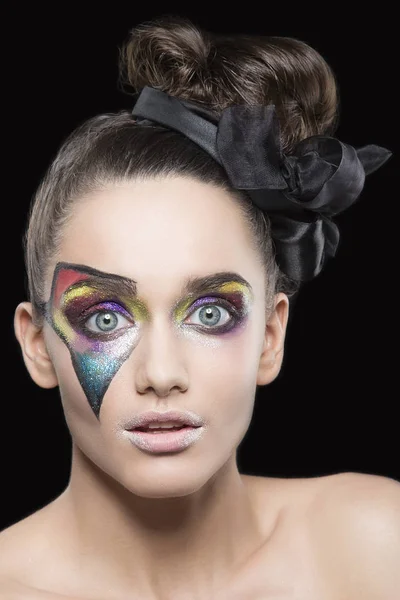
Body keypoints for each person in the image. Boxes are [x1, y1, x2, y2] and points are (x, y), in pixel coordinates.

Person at [1, 15, 398, 600]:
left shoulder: (378, 546)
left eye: (210, 313)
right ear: (37, 344)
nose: (161, 375)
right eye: (105, 318)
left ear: (271, 336)